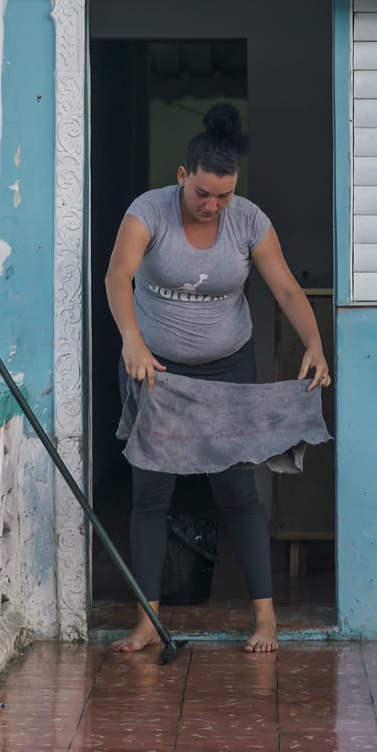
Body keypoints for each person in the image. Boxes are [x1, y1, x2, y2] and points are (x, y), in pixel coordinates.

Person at [103, 104, 331, 654]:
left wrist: (315, 344)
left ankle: (265, 620)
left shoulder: (248, 220)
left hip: (228, 368)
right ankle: (149, 622)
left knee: (236, 491)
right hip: (156, 369)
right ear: (183, 175)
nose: (212, 205)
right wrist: (131, 339)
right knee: (151, 493)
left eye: (223, 195)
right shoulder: (149, 212)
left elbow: (284, 288)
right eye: (203, 193)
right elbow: (116, 276)